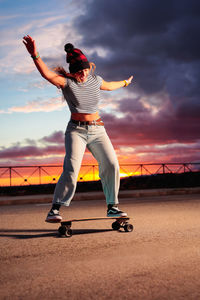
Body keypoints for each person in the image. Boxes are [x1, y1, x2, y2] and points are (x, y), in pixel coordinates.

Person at [23, 35, 133, 222]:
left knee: (112, 164)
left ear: (88, 67)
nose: (82, 74)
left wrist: (124, 83)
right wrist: (35, 55)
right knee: (72, 168)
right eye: (78, 72)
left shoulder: (95, 80)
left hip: (98, 130)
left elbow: (110, 86)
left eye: (84, 70)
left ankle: (112, 206)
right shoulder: (67, 83)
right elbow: (47, 74)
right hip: (76, 131)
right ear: (72, 72)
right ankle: (55, 209)